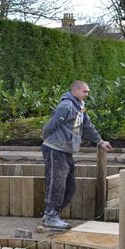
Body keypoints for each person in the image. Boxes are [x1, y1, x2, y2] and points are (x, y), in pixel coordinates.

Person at [41, 80, 111, 229]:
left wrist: (100, 141)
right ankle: (50, 216)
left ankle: (54, 214)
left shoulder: (80, 106)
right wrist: (48, 140)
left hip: (66, 150)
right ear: (75, 91)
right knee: (56, 183)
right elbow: (49, 126)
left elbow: (87, 126)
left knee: (70, 186)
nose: (87, 94)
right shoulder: (66, 106)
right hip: (55, 149)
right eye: (85, 91)